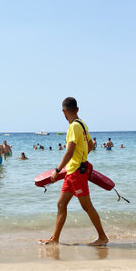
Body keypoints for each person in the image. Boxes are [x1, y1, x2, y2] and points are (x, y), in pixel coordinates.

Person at [39, 97, 109, 246]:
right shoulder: (82, 124)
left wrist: (57, 170)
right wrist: (82, 157)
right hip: (73, 172)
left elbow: (69, 152)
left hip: (76, 173)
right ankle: (55, 238)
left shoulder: (73, 127)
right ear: (77, 109)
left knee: (87, 206)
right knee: (61, 204)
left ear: (63, 111)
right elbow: (90, 145)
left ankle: (103, 237)